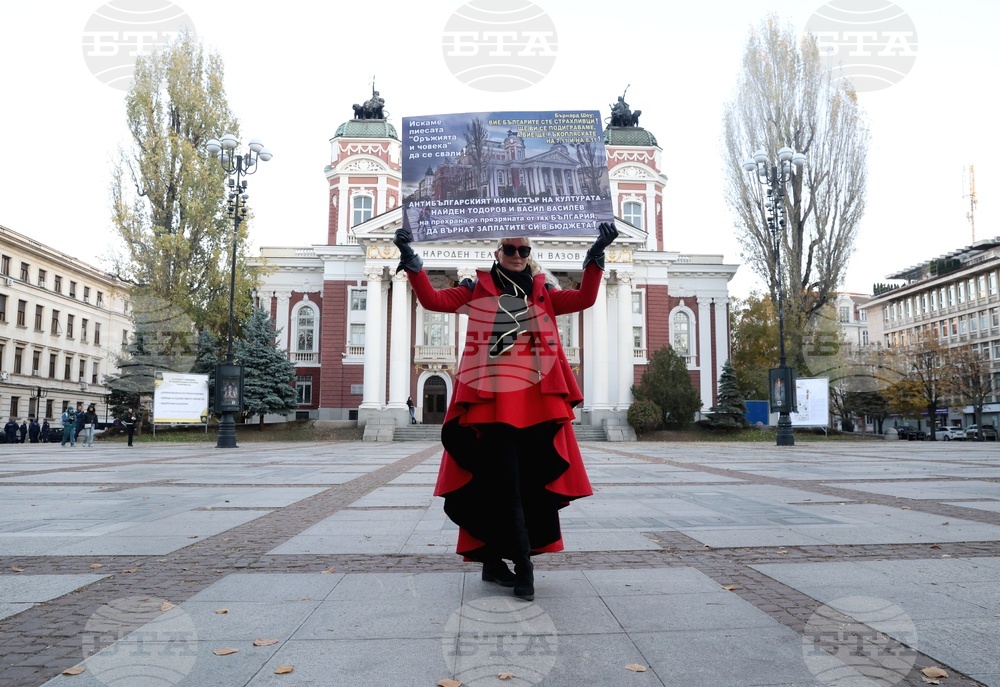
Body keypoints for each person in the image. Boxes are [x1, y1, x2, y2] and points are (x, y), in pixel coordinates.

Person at [393, 222, 618, 601]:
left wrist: (596, 254)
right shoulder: (475, 287)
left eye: (523, 250)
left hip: (537, 401)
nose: (517, 256)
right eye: (510, 250)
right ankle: (523, 569)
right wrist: (411, 259)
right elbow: (434, 301)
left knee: (528, 486)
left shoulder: (544, 290)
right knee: (505, 485)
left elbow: (584, 300)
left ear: (529, 255)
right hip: (492, 405)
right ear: (497, 252)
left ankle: (492, 562)